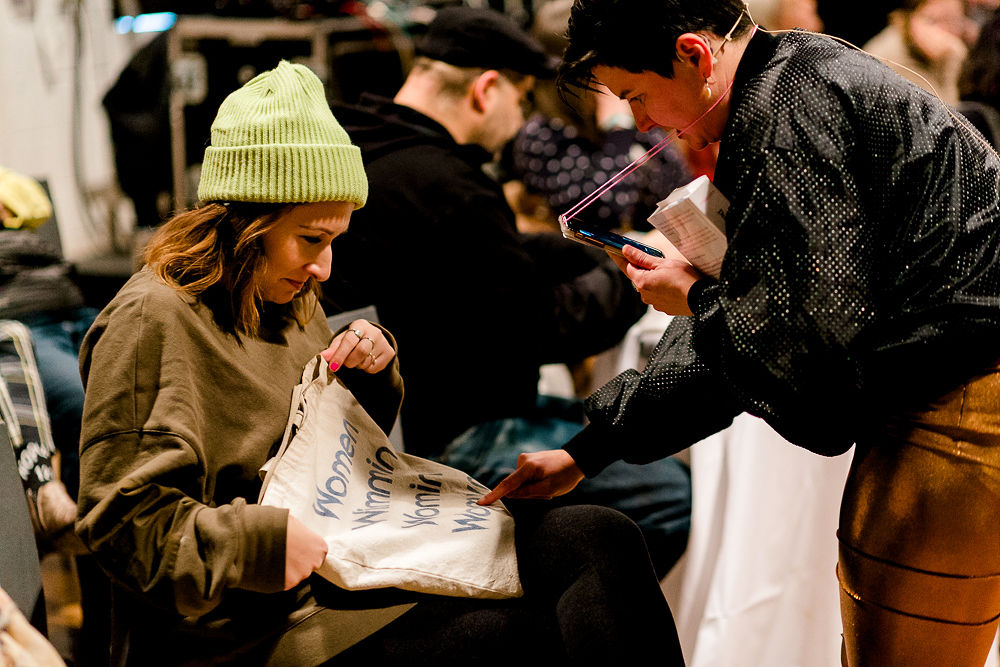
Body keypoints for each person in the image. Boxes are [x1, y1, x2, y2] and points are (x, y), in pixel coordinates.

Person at [74, 60, 683, 666]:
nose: (325, 268)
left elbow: (323, 444)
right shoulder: (154, 320)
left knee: (600, 535)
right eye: (311, 239)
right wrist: (255, 544)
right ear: (243, 223)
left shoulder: (283, 293)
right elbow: (120, 523)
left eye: (335, 240)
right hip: (258, 624)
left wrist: (370, 378)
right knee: (525, 636)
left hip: (351, 562)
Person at [480, 1, 1000, 665]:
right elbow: (772, 314)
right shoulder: (791, 78)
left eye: (639, 97)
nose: (642, 124)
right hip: (948, 407)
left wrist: (696, 295)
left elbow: (813, 349)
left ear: (694, 55)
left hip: (961, 415)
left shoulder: (791, 110)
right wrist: (590, 449)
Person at [321, 5, 692, 578]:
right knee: (671, 493)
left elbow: (493, 260)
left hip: (384, 422)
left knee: (621, 430)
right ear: (486, 90)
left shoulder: (360, 152)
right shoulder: (449, 185)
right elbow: (542, 328)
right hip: (449, 434)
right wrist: (633, 278)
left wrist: (596, 249)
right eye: (520, 100)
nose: (520, 121)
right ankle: (538, 619)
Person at [0, 167, 90, 552]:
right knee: (82, 400)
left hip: (71, 312)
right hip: (25, 324)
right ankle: (56, 498)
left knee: (142, 369)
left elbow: (30, 200)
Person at [863, 0, 970, 105]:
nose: (942, 31)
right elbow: (942, 114)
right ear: (909, 16)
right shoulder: (890, 55)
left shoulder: (946, 52)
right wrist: (954, 59)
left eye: (953, 20)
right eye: (932, 20)